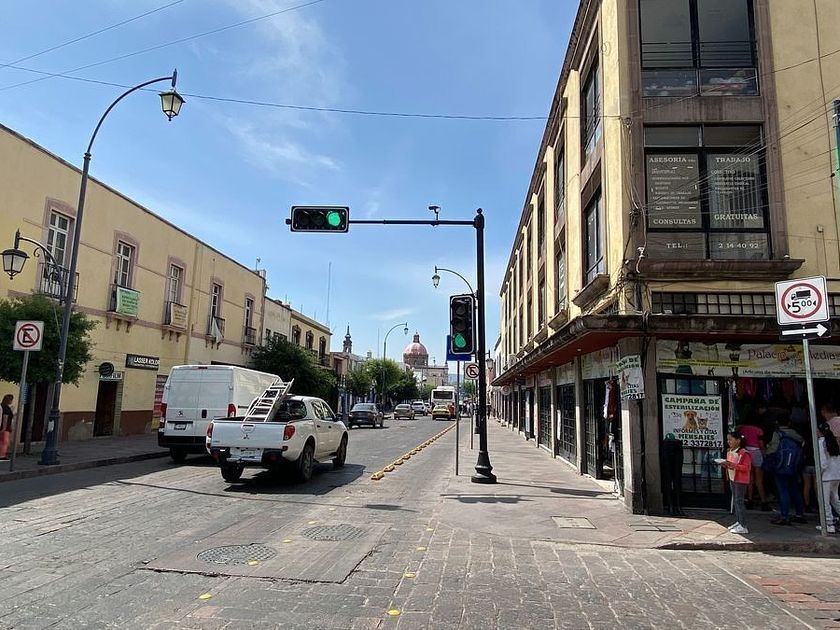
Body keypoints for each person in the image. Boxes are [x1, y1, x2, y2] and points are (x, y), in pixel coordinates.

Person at [766, 415, 806, 526]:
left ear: (777, 422)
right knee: (795, 490)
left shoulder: (777, 434)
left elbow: (773, 449)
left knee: (783, 491)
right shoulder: (795, 434)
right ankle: (799, 514)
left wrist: (767, 452)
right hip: (794, 466)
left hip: (781, 466)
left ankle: (784, 516)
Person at [720, 431, 752, 534]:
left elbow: (746, 468)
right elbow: (730, 465)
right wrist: (725, 464)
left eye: (731, 439)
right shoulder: (730, 451)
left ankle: (743, 525)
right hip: (732, 478)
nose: (728, 441)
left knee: (739, 501)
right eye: (728, 439)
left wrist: (732, 465)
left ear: (738, 440)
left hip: (740, 480)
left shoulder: (744, 452)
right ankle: (739, 521)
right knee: (736, 501)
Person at [737, 417, 770, 511]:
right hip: (756, 452)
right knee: (759, 480)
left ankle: (750, 501)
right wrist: (764, 453)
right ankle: (764, 502)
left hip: (746, 452)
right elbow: (761, 443)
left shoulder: (741, 429)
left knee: (749, 479)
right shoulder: (758, 430)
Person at [817, 422, 840, 534]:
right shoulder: (833, 441)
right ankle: (830, 521)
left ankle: (828, 523)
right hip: (836, 475)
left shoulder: (821, 442)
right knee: (835, 499)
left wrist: (819, 473)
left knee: (824, 500)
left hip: (826, 476)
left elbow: (823, 462)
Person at [0, 394, 14, 460]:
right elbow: (5, 418)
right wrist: (4, 428)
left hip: (3, 426)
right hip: (5, 428)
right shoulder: (6, 408)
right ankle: (2, 455)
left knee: (2, 441)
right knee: (4, 442)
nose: (12, 401)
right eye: (11, 400)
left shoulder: (1, 406)